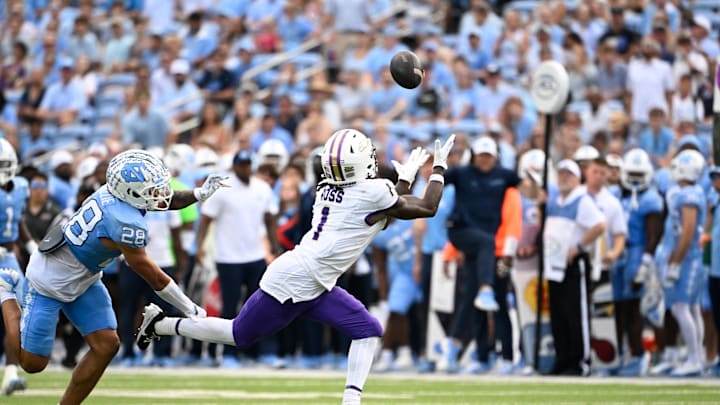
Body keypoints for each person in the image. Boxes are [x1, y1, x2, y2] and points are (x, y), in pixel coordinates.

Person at [137, 130, 455, 405]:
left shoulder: (328, 190)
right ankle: (161, 324)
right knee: (238, 334)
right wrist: (437, 168)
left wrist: (404, 178)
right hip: (295, 281)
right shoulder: (372, 193)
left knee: (367, 330)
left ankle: (351, 400)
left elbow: (385, 207)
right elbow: (424, 206)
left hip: (313, 281)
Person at [0, 150, 227, 404]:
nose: (159, 192)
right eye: (152, 188)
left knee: (107, 345)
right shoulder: (122, 220)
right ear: (130, 193)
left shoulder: (115, 194)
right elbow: (154, 277)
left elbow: (164, 199)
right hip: (48, 281)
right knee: (32, 364)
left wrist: (198, 194)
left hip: (84, 278)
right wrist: (190, 308)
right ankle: (7, 293)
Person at [544, 159, 606, 376]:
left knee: (575, 314)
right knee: (559, 315)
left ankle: (581, 360)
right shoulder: (556, 200)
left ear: (578, 178)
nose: (564, 178)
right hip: (554, 264)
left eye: (568, 175)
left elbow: (599, 225)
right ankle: (564, 359)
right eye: (561, 174)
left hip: (573, 264)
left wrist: (579, 246)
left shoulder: (581, 200)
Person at [612, 149, 663, 376]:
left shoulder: (651, 198)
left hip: (636, 251)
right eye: (630, 173)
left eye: (638, 173)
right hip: (618, 253)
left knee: (633, 308)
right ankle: (622, 352)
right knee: (618, 307)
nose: (633, 179)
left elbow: (654, 233)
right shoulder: (616, 194)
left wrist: (645, 262)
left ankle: (639, 355)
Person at [656, 149, 707, 376]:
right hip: (688, 257)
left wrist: (676, 261)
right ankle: (695, 356)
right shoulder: (687, 192)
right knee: (692, 308)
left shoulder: (690, 195)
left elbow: (687, 231)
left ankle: (695, 358)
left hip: (689, 258)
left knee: (680, 307)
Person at [0, 140, 36, 396]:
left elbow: (18, 216)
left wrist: (31, 244)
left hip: (9, 256)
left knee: (21, 312)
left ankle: (11, 373)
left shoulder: (22, 186)